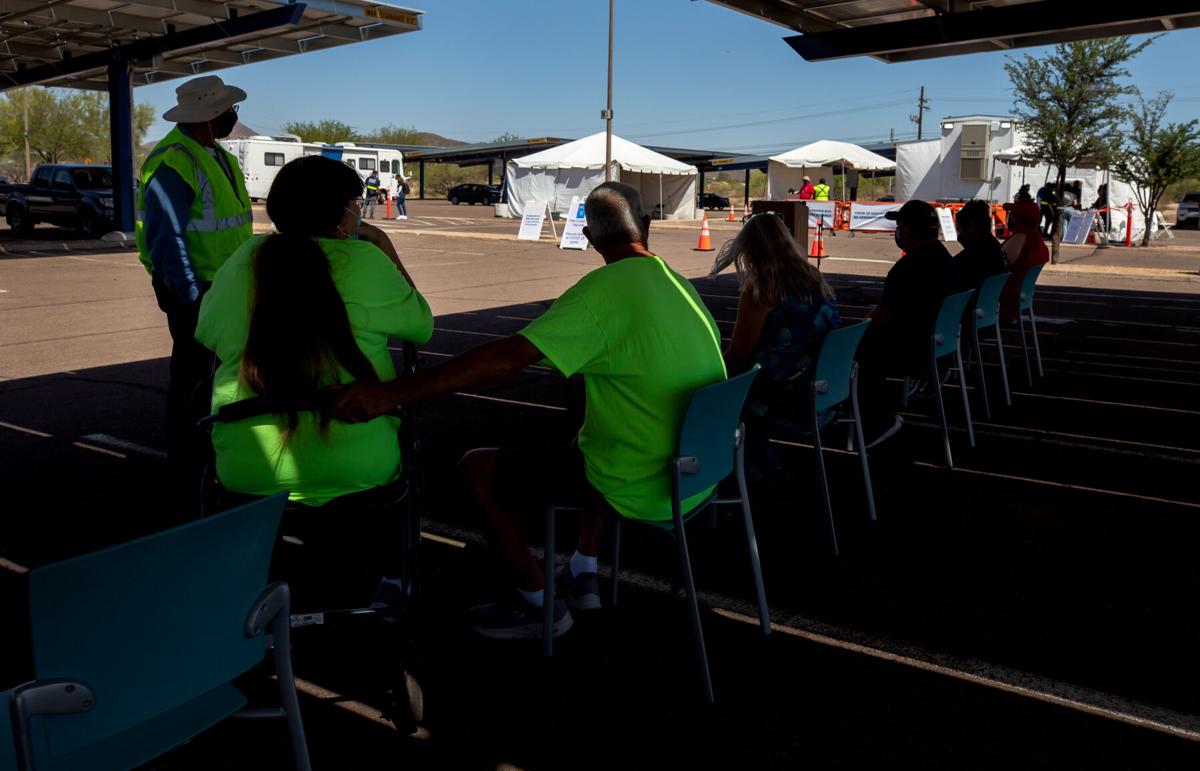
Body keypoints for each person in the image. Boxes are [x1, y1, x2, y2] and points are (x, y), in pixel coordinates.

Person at [332, 181, 727, 640]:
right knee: (583, 425)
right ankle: (582, 571)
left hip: (642, 483)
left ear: (591, 237)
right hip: (697, 475)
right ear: (647, 226)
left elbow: (509, 359)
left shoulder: (604, 292)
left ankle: (540, 606)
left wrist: (393, 393)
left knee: (476, 469)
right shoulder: (677, 283)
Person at [195, 155, 432, 509]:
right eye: (356, 203)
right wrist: (381, 242)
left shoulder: (243, 259)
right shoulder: (367, 261)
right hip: (359, 464)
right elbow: (422, 325)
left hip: (248, 468)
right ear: (341, 211)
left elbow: (206, 333)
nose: (360, 210)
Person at [135, 75, 252, 502]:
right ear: (207, 115)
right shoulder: (174, 161)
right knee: (193, 379)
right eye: (228, 111)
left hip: (221, 288)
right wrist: (191, 298)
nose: (234, 118)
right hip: (197, 291)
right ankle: (186, 467)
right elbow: (168, 239)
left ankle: (210, 454)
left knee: (218, 377)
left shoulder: (214, 155)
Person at [710, 212, 840, 476]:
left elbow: (739, 354)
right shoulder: (813, 278)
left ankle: (742, 470)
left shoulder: (761, 290)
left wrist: (709, 382)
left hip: (783, 397)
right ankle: (760, 459)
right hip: (823, 389)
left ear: (750, 249)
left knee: (709, 403)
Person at [855, 200, 960, 445]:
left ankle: (875, 420)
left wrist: (852, 332)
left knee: (856, 350)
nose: (897, 232)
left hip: (913, 350)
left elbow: (883, 316)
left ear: (909, 230)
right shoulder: (946, 259)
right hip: (939, 347)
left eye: (899, 226)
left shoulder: (908, 269)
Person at [999, 199, 1049, 322]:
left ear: (1017, 218)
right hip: (1020, 296)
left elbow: (998, 264)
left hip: (1004, 298)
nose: (1010, 217)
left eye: (1012, 214)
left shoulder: (1020, 238)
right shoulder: (1037, 240)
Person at [953, 200, 1009, 296]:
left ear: (970, 227)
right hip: (986, 304)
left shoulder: (973, 256)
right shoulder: (993, 246)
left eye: (959, 229)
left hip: (969, 305)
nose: (959, 234)